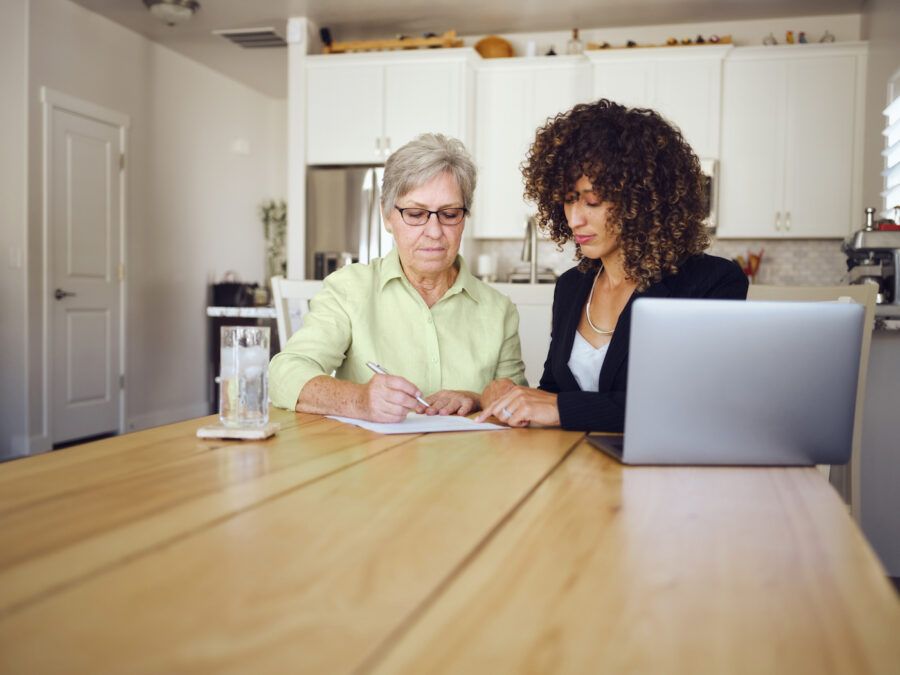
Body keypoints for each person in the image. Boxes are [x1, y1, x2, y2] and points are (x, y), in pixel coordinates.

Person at [477, 99, 748, 431]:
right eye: (567, 199)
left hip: (658, 474)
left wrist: (560, 408)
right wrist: (500, 397)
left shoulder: (710, 282)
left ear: (644, 199)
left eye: (593, 201)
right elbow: (554, 393)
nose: (575, 218)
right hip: (571, 469)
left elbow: (690, 405)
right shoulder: (571, 287)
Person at [269, 133, 526, 422]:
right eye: (415, 214)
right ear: (387, 216)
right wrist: (359, 400)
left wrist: (476, 399)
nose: (434, 231)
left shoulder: (499, 311)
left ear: (464, 217)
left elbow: (518, 400)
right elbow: (284, 373)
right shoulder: (349, 289)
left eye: (450, 213)